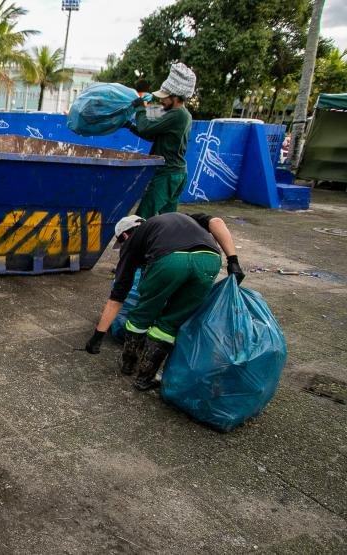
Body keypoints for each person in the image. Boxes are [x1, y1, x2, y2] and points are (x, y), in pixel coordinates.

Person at [84, 213, 245, 391]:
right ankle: (145, 378)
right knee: (170, 322)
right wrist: (233, 261)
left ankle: (128, 364)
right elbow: (217, 221)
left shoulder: (132, 242)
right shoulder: (181, 218)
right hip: (209, 260)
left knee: (142, 315)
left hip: (169, 261)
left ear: (124, 236)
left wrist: (97, 337)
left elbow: (117, 298)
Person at [125, 63, 195, 219]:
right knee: (168, 220)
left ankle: (131, 242)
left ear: (175, 97)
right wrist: (130, 125)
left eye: (165, 98)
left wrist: (140, 108)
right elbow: (151, 134)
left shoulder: (177, 115)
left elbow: (145, 127)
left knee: (142, 217)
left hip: (168, 175)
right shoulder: (178, 114)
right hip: (176, 174)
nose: (161, 101)